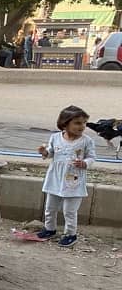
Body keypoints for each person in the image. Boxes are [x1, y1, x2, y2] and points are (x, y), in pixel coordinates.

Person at [36, 105, 96, 247]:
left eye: (84, 123)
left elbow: (92, 157)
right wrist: (44, 152)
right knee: (50, 207)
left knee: (69, 211)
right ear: (65, 123)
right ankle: (49, 229)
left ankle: (70, 234)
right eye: (77, 123)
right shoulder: (55, 138)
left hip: (73, 180)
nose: (82, 126)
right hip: (55, 179)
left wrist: (84, 163)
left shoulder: (86, 141)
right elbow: (50, 153)